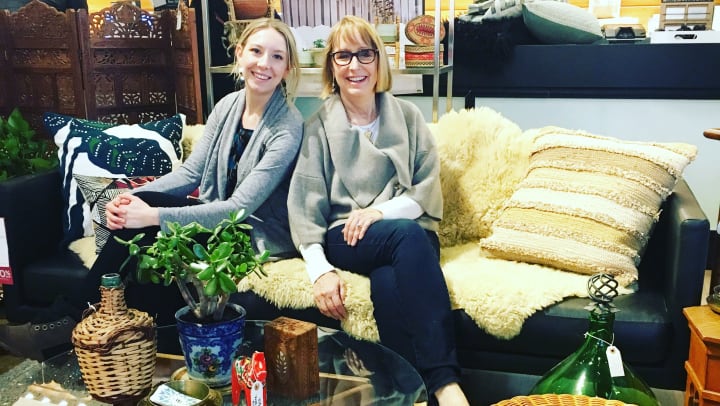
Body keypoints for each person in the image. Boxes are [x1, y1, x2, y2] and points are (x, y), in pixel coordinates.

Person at [0, 17, 303, 361]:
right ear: (239, 53)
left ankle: (67, 322)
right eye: (257, 51)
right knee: (140, 222)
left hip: (249, 235)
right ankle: (103, 333)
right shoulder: (228, 106)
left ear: (288, 66)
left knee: (146, 226)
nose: (264, 64)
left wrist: (153, 214)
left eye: (277, 57)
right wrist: (133, 199)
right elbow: (191, 172)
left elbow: (237, 209)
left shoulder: (287, 127)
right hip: (216, 220)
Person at [287, 15, 469, 406]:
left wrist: (379, 212)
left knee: (389, 283)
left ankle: (407, 393)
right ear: (331, 68)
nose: (355, 66)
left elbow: (424, 188)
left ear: (379, 61)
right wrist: (320, 272)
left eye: (365, 54)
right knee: (407, 234)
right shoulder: (317, 127)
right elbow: (304, 209)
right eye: (343, 56)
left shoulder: (408, 117)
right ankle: (445, 384)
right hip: (346, 237)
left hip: (406, 232)